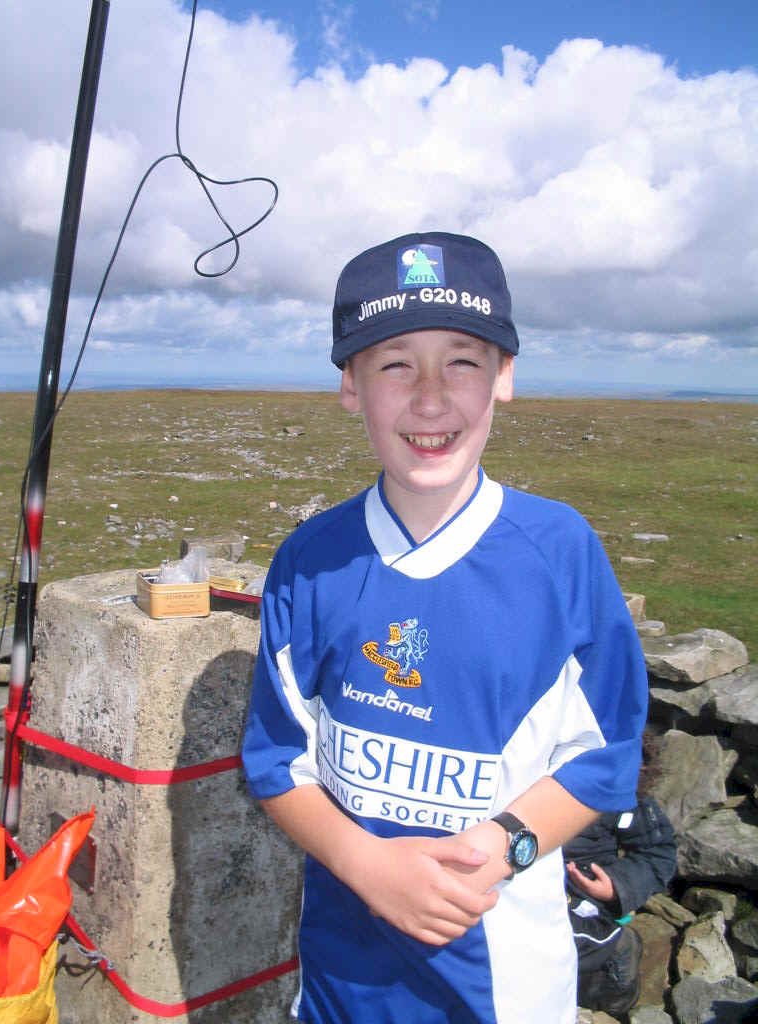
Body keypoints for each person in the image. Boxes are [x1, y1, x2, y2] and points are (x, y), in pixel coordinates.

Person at [241, 230, 649, 1024]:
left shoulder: (559, 554)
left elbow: (605, 758)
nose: (430, 398)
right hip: (336, 991)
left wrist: (505, 847)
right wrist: (366, 863)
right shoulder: (309, 561)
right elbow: (276, 763)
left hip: (506, 993)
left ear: (504, 378)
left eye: (462, 361)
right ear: (350, 385)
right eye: (395, 363)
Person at [564, 794, 677, 1015]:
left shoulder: (617, 785)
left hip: (582, 904)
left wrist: (616, 887)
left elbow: (658, 853)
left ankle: (618, 952)